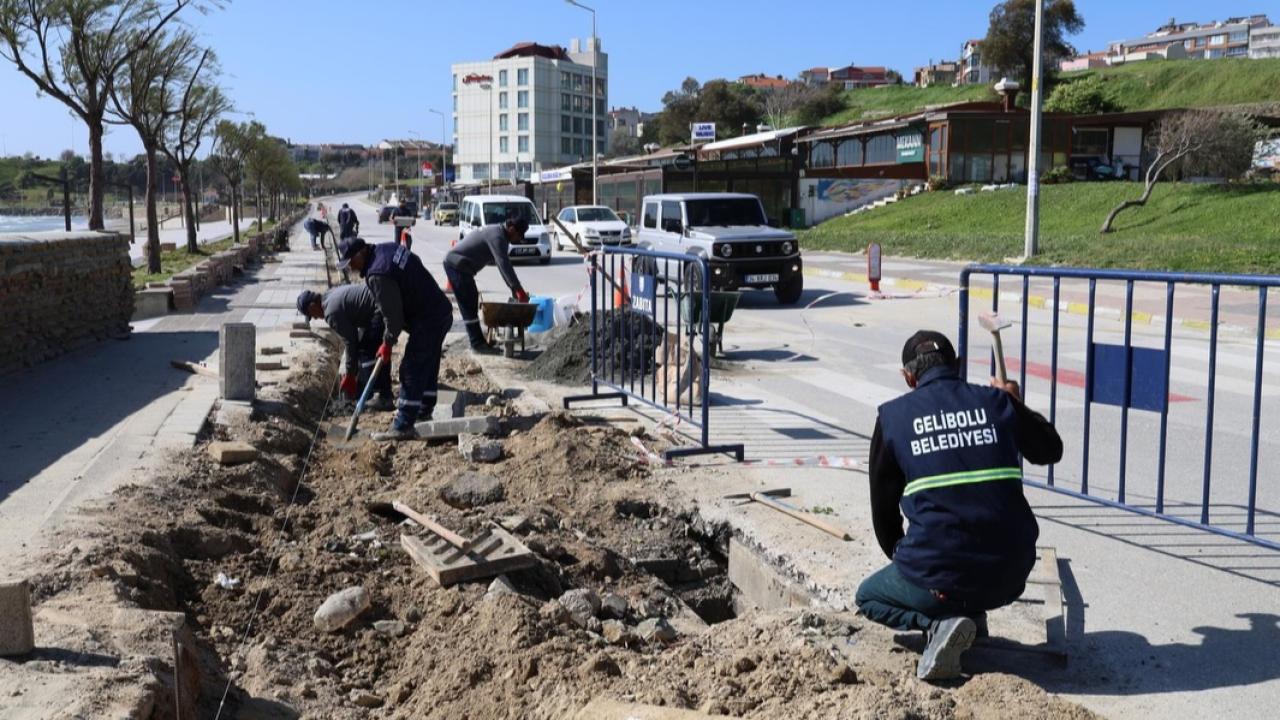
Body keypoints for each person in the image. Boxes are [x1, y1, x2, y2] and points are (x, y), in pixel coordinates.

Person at [855, 330, 1062, 681]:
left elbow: (884, 517)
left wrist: (914, 567)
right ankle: (967, 609)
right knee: (963, 554)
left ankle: (941, 620)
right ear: (959, 366)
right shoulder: (998, 403)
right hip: (1011, 575)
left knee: (868, 597)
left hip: (941, 577)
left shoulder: (893, 418)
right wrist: (1017, 405)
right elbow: (1049, 450)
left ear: (908, 377)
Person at [338, 237, 452, 441]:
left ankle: (403, 424)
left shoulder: (377, 274)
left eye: (350, 263)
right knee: (428, 362)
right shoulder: (386, 249)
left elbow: (393, 316)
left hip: (428, 318)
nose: (351, 269)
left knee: (411, 367)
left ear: (360, 254)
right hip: (439, 310)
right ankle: (424, 410)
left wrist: (387, 343)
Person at [297, 287, 393, 411]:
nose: (315, 318)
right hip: (379, 302)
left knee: (368, 352)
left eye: (311, 315)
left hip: (378, 308)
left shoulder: (330, 312)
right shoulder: (329, 296)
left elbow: (351, 341)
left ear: (312, 306)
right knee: (370, 348)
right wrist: (352, 370)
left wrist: (349, 373)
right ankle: (380, 393)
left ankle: (380, 396)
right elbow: (353, 338)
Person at [444, 216, 530, 354]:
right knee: (468, 305)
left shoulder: (499, 234)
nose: (518, 239)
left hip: (461, 267)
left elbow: (502, 265)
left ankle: (478, 342)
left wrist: (514, 288)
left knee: (471, 301)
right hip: (456, 265)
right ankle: (477, 344)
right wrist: (518, 289)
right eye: (519, 235)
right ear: (512, 229)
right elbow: (504, 264)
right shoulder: (497, 237)